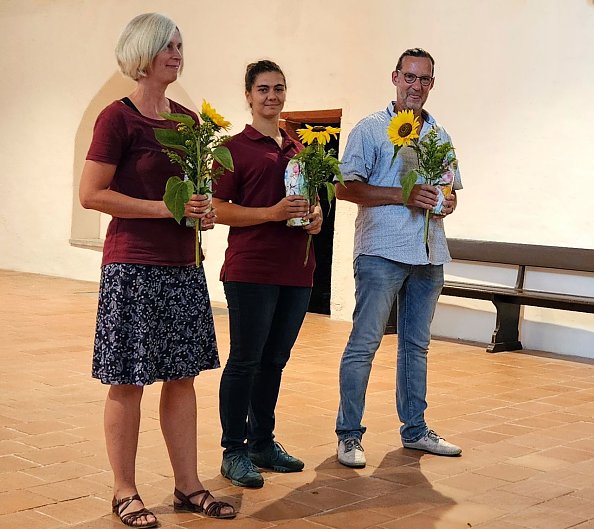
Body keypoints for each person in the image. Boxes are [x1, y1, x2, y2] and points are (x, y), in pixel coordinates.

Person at [79, 13, 235, 526]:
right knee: (128, 380)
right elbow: (92, 194)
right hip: (133, 265)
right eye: (167, 45)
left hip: (183, 265)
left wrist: (202, 212)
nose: (176, 53)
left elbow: (192, 195)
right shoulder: (116, 119)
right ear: (142, 53)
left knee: (183, 377)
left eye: (180, 45)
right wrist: (165, 209)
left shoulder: (190, 124)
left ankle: (188, 485)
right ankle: (124, 490)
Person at [335, 48, 463, 468]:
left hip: (428, 253)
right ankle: (349, 435)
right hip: (381, 252)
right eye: (410, 77)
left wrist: (444, 202)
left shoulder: (440, 135)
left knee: (416, 346)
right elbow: (345, 188)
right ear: (395, 77)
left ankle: (415, 430)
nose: (416, 86)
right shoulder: (370, 130)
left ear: (433, 84)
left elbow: (452, 192)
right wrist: (401, 195)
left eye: (424, 79)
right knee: (364, 345)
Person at [212, 60, 322, 488]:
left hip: (297, 271)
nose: (271, 96)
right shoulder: (233, 148)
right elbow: (218, 209)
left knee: (274, 362)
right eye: (263, 89)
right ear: (248, 95)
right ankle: (233, 450)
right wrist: (270, 214)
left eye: (278, 88)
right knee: (245, 360)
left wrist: (315, 218)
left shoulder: (298, 149)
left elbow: (309, 202)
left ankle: (261, 441)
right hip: (251, 270)